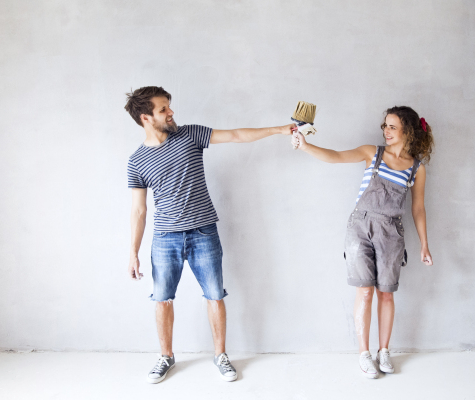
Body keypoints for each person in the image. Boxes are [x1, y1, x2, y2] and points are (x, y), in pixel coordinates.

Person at [124, 86, 295, 384]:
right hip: (165, 238)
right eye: (163, 109)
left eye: (169, 106)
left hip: (204, 231)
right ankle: (166, 356)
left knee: (215, 295)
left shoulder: (190, 135)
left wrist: (281, 129)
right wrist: (133, 253)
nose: (171, 112)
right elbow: (139, 211)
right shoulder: (136, 161)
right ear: (146, 117)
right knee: (162, 299)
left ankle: (221, 355)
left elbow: (237, 135)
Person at [291, 106, 434, 378]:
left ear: (408, 130)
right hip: (360, 228)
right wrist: (306, 146)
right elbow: (335, 157)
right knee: (365, 291)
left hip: (392, 232)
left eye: (392, 126)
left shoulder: (417, 168)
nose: (386, 131)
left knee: (386, 293)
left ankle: (384, 351)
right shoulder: (373, 153)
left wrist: (424, 244)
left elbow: (418, 209)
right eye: (385, 126)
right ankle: (364, 354)